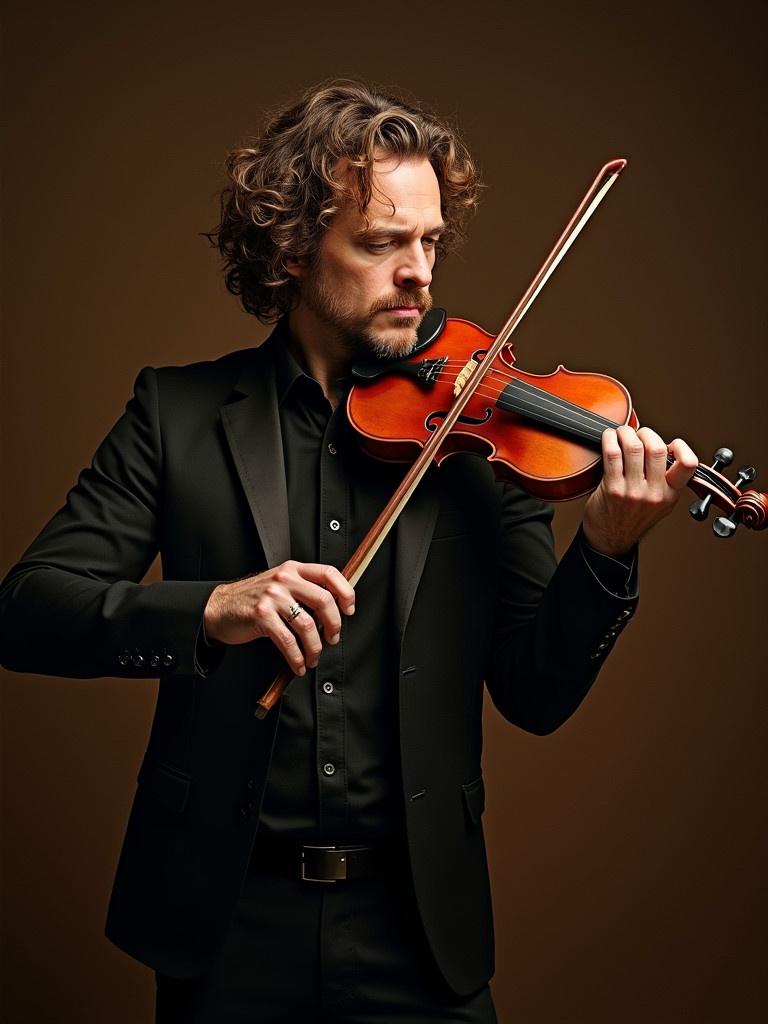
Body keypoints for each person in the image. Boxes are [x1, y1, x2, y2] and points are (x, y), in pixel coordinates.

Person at [0, 79, 698, 1022]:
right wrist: (209, 607)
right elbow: (30, 608)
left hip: (419, 934)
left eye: (431, 241)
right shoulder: (178, 414)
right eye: (382, 243)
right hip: (225, 925)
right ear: (290, 249)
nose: (420, 272)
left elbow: (535, 694)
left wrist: (607, 549)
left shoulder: (481, 436)